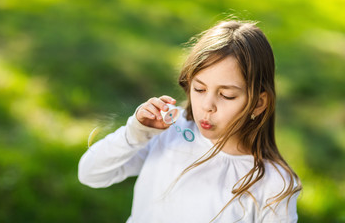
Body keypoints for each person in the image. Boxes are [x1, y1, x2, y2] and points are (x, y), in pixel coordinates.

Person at [78, 20, 302, 222]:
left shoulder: (275, 185)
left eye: (226, 95)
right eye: (199, 89)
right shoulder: (169, 132)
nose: (207, 105)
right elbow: (90, 174)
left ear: (259, 103)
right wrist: (135, 134)